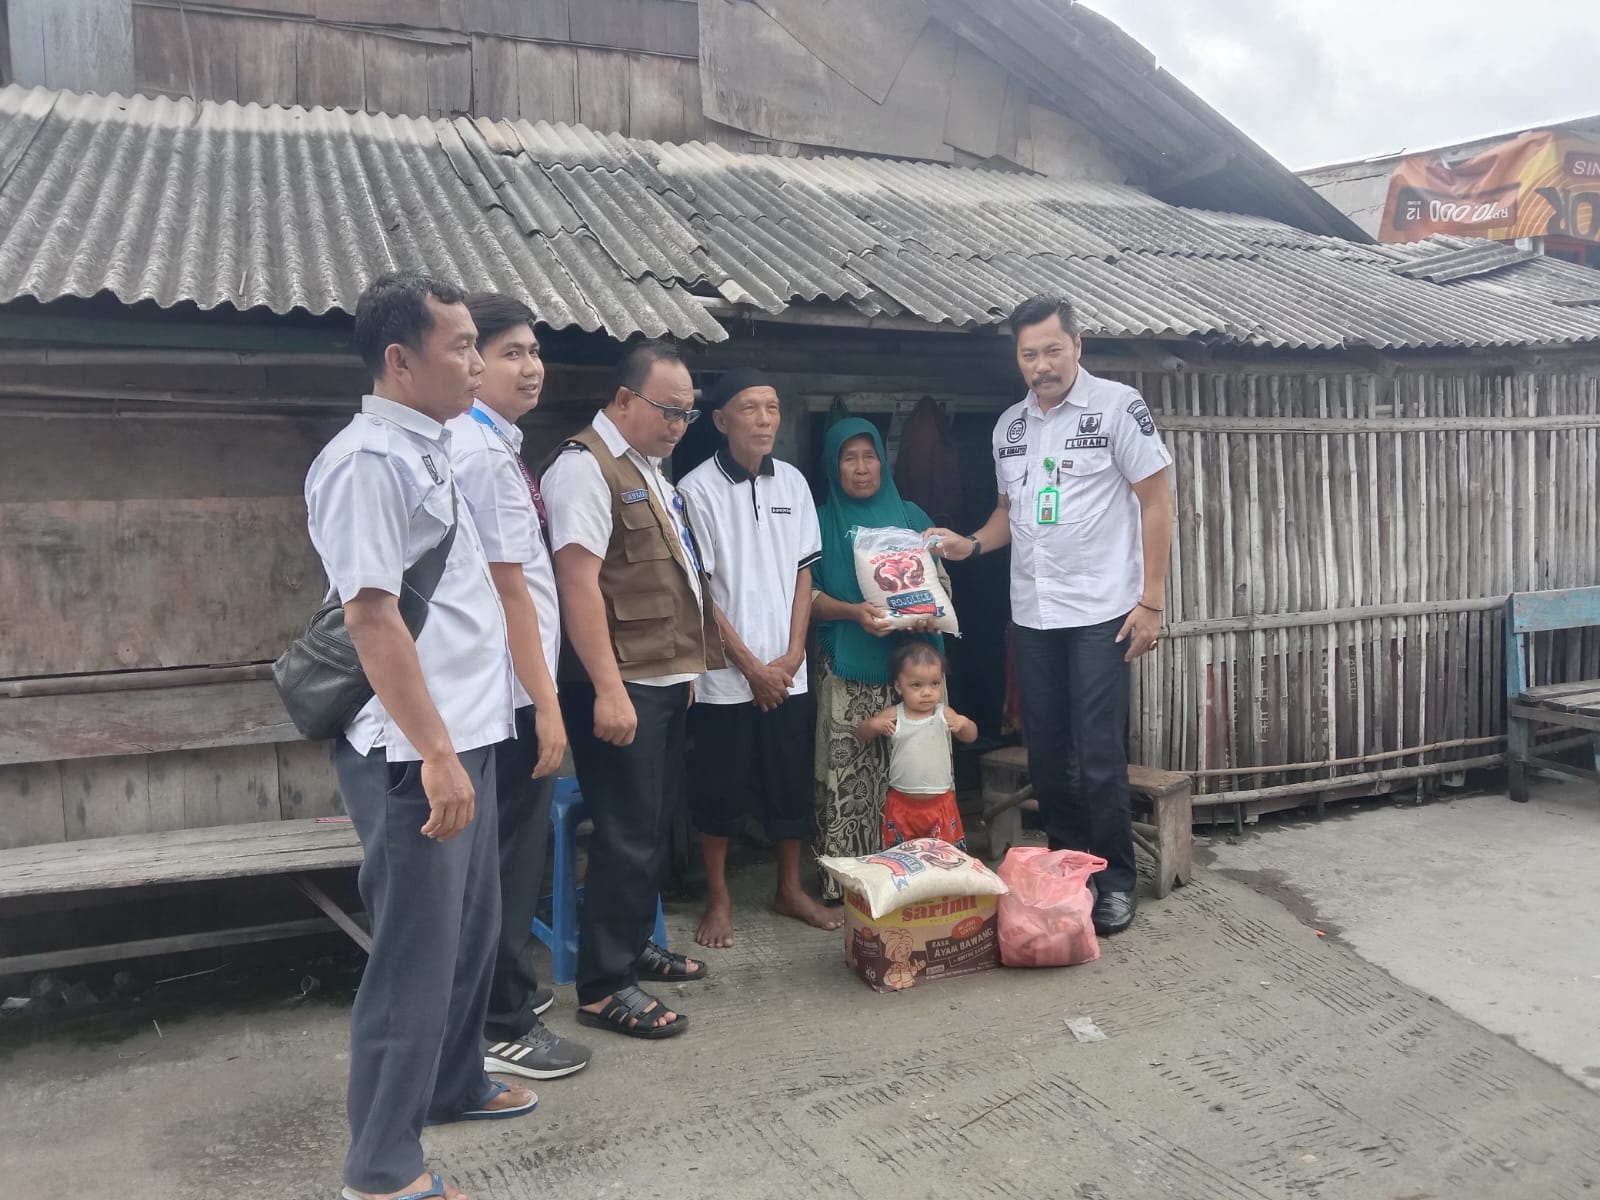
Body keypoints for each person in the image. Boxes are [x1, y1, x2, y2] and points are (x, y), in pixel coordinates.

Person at [305, 273, 534, 1200]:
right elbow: (371, 619)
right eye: (462, 347)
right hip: (412, 754)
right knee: (413, 956)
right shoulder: (369, 461)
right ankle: (381, 1168)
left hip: (464, 734)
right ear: (401, 361)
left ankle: (452, 1082)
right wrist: (437, 753)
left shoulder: (433, 444)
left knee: (470, 933)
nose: (478, 363)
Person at [926, 294, 1173, 936]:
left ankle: (1116, 878)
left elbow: (1156, 503)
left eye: (1052, 350)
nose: (1042, 365)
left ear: (1077, 347)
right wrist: (974, 542)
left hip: (1102, 613)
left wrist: (1152, 601)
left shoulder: (1119, 408)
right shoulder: (1009, 426)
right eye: (1029, 354)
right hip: (1034, 613)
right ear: (1018, 358)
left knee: (1097, 752)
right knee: (1047, 752)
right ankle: (1070, 868)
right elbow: (1013, 514)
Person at [542, 340, 720, 1040]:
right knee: (623, 834)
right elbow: (577, 586)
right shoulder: (584, 471)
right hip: (619, 688)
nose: (679, 423)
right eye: (667, 409)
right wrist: (609, 690)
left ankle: (630, 946)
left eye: (687, 412)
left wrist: (689, 674)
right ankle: (604, 984)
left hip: (665, 681)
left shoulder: (648, 468)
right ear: (622, 400)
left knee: (649, 828)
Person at [445, 293, 591, 1083]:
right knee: (506, 862)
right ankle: (501, 1021)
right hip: (507, 695)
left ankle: (501, 997)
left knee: (506, 860)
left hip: (507, 688)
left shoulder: (491, 446)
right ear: (471, 366)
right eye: (510, 353)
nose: (529, 366)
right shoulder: (478, 453)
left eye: (533, 351)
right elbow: (508, 594)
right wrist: (549, 705)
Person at [676, 368, 841, 949]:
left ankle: (789, 888)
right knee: (719, 786)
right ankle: (719, 897)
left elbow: (803, 573)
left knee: (787, 783)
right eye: (750, 408)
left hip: (786, 672)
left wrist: (793, 654)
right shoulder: (694, 490)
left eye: (772, 407)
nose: (765, 419)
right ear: (721, 421)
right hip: (726, 677)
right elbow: (697, 588)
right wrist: (749, 666)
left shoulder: (793, 483)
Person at [810, 417, 947, 900]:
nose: (862, 468)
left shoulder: (910, 515)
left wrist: (929, 614)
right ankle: (848, 881)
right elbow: (805, 596)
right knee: (850, 777)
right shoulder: (819, 520)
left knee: (915, 771)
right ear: (833, 465)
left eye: (870, 457)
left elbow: (940, 583)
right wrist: (853, 612)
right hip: (850, 665)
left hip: (917, 670)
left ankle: (918, 876)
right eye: (849, 458)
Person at [855, 641, 978, 849]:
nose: (927, 692)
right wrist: (874, 724)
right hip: (902, 804)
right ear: (898, 686)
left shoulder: (944, 713)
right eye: (916, 685)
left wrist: (964, 723)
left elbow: (971, 736)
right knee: (902, 859)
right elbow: (861, 733)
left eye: (934, 684)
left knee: (942, 859)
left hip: (940, 804)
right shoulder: (894, 714)